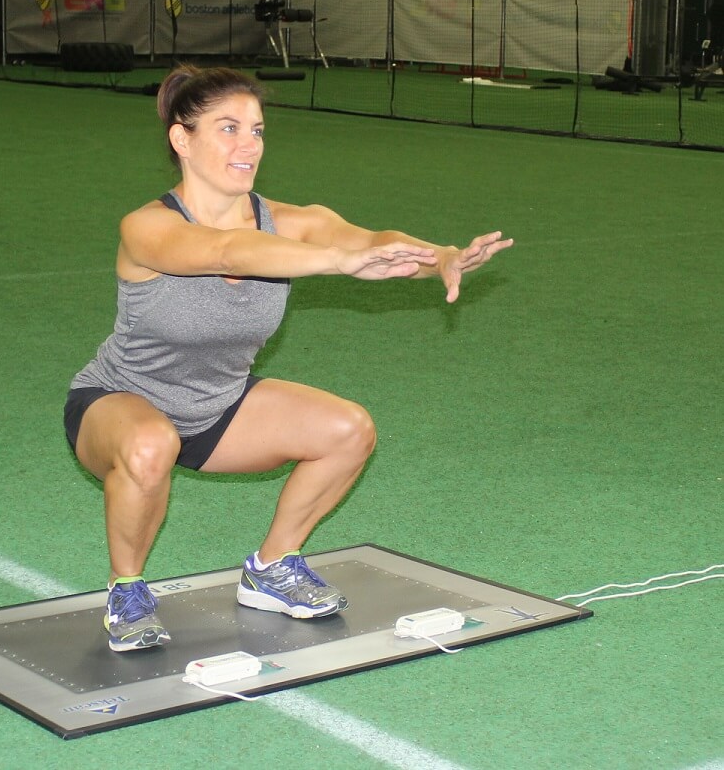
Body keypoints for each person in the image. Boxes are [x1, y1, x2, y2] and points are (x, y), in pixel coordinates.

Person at [64, 64, 513, 652]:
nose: (248, 144)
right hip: (119, 404)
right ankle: (127, 590)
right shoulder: (147, 227)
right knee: (151, 444)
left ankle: (273, 568)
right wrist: (334, 262)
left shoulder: (293, 221)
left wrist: (443, 256)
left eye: (256, 130)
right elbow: (226, 248)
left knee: (347, 429)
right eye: (228, 128)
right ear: (182, 139)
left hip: (219, 408)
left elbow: (368, 240)